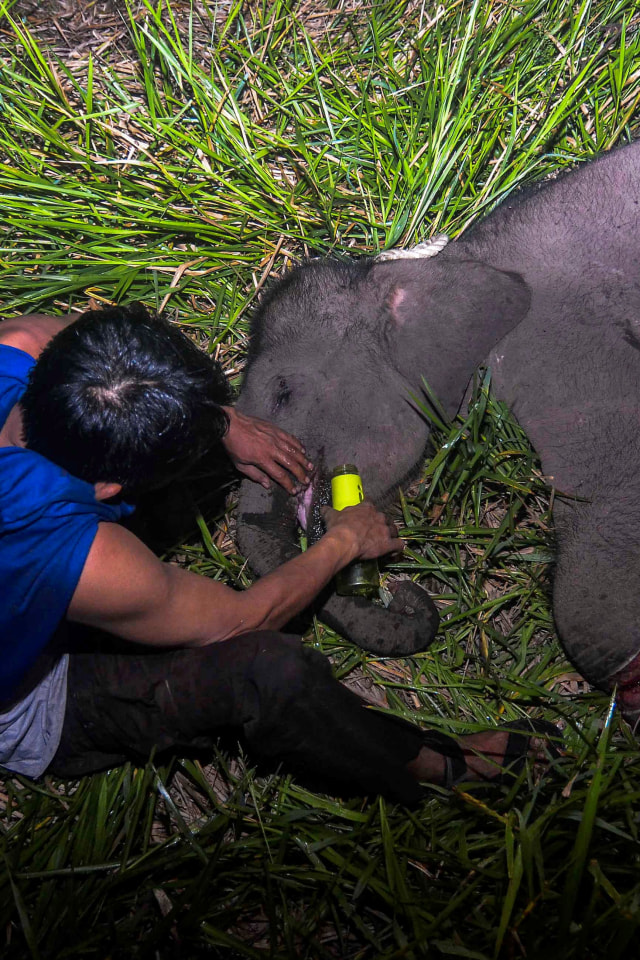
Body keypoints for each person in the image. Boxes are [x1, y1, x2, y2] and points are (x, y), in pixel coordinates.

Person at [0, 304, 557, 805]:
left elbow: (100, 340)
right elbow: (242, 620)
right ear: (106, 489)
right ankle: (441, 763)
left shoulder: (18, 344)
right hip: (33, 692)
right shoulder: (86, 558)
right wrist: (346, 542)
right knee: (270, 673)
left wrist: (218, 418)